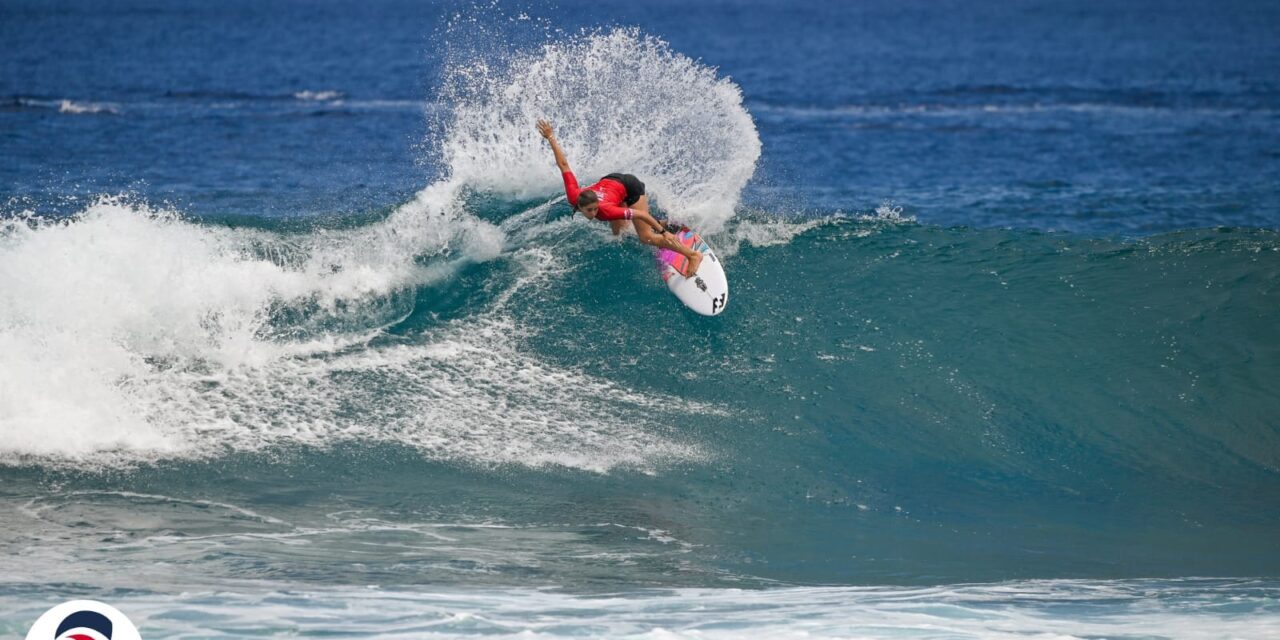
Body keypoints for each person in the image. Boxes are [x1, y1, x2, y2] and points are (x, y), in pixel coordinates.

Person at [537, 119, 703, 277]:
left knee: (646, 237)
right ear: (579, 205)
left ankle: (692, 255)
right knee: (619, 232)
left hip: (630, 187)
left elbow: (641, 215)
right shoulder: (573, 195)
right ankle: (667, 223)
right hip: (611, 182)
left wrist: (663, 233)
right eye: (590, 210)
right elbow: (564, 165)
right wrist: (551, 137)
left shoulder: (606, 211)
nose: (594, 213)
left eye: (595, 208)